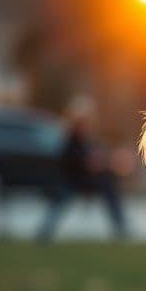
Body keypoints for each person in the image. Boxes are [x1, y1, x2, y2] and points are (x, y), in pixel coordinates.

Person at [38, 95, 128, 240]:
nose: (86, 123)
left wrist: (107, 160)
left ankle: (120, 228)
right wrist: (107, 162)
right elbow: (86, 163)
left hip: (82, 180)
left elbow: (95, 156)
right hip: (69, 181)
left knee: (108, 186)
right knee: (60, 202)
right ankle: (45, 233)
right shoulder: (71, 140)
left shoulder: (86, 138)